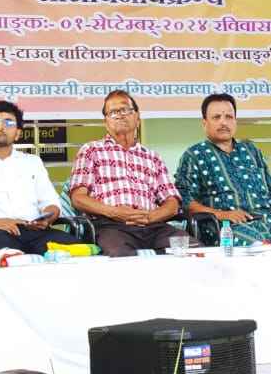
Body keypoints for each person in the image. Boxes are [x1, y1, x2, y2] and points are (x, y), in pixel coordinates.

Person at [175, 93, 271, 245]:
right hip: (228, 229)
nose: (223, 122)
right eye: (216, 117)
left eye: (229, 117)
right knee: (261, 248)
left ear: (235, 121)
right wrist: (222, 214)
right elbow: (185, 202)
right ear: (204, 123)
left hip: (269, 223)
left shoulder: (251, 151)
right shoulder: (194, 155)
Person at [0, 100, 79, 254]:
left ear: (18, 133)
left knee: (76, 250)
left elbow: (51, 203)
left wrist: (46, 219)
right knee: (9, 253)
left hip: (33, 231)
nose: (0, 127)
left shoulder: (32, 162)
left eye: (8, 122)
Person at [67, 90, 187, 256]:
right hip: (111, 226)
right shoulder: (91, 150)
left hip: (153, 225)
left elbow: (172, 202)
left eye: (125, 110)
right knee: (120, 256)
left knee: (194, 250)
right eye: (113, 112)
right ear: (106, 122)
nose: (119, 115)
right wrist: (114, 212)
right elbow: (78, 198)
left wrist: (152, 217)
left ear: (137, 117)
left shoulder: (152, 157)